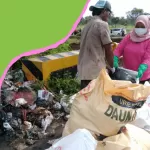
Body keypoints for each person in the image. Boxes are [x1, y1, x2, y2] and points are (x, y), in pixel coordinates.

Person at [78, 0, 114, 89]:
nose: (109, 15)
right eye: (109, 13)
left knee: (85, 100)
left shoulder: (86, 26)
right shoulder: (102, 25)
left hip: (83, 72)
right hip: (95, 72)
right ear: (104, 11)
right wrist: (111, 67)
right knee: (97, 101)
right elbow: (108, 49)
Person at [113, 15, 150, 84]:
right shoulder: (129, 37)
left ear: (147, 26)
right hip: (127, 74)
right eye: (137, 26)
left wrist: (144, 66)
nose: (139, 29)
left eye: (142, 27)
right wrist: (115, 57)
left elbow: (148, 57)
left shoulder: (148, 40)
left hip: (142, 75)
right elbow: (119, 49)